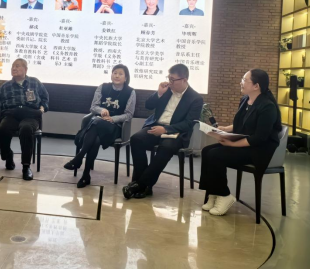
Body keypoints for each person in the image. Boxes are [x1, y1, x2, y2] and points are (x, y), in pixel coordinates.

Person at [199, 69, 281, 216]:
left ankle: (224, 195)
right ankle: (214, 192)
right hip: (244, 143)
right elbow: (242, 123)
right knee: (206, 151)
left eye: (244, 80)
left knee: (216, 155)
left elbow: (259, 137)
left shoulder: (268, 106)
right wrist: (226, 129)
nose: (241, 82)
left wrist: (232, 144)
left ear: (256, 86)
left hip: (259, 150)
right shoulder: (245, 99)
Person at [123, 64, 203, 199]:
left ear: (184, 80)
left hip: (176, 132)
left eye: (173, 80)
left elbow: (189, 123)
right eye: (169, 78)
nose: (169, 82)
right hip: (157, 126)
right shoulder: (166, 90)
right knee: (136, 139)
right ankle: (144, 185)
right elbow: (148, 105)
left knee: (166, 147)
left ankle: (140, 184)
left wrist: (166, 129)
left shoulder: (195, 98)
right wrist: (159, 93)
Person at [64, 64, 135, 188]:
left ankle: (79, 158)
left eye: (120, 74)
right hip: (97, 124)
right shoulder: (103, 87)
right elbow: (93, 107)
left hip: (115, 127)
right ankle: (85, 175)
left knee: (95, 122)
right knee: (95, 139)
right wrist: (101, 110)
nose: (117, 76)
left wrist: (112, 119)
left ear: (126, 77)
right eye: (115, 73)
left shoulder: (130, 92)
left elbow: (129, 115)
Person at [0, 58, 49, 181]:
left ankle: (26, 167)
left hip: (30, 115)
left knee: (26, 129)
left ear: (25, 69)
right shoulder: (5, 86)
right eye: (12, 66)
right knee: (2, 131)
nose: (14, 68)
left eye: (17, 66)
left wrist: (43, 107)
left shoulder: (35, 82)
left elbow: (45, 97)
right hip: (11, 115)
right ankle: (8, 155)